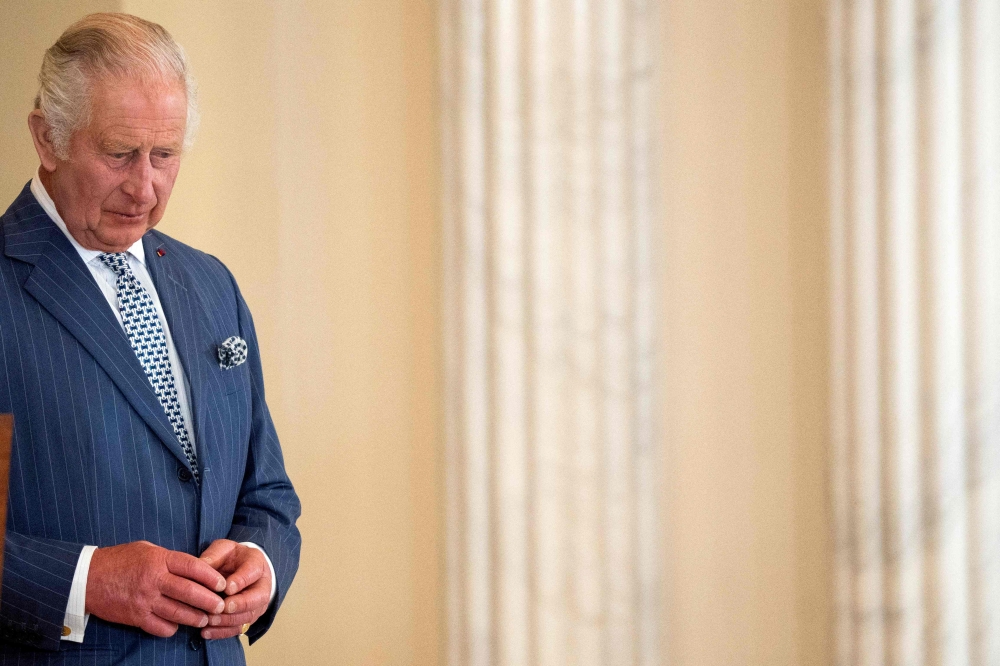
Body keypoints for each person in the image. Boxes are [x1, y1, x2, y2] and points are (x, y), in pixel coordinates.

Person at [0, 13, 301, 665]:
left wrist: (262, 559)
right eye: (119, 154)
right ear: (47, 138)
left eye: (164, 155)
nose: (144, 187)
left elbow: (268, 492)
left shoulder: (212, 283)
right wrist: (86, 581)